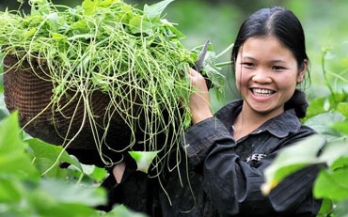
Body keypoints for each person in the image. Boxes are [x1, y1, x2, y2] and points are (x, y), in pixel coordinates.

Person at [102, 6, 324, 217]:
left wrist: (202, 117)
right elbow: (154, 204)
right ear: (234, 61)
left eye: (277, 67)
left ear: (301, 70)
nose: (261, 77)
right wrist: (117, 156)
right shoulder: (198, 134)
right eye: (249, 64)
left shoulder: (308, 148)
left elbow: (244, 200)